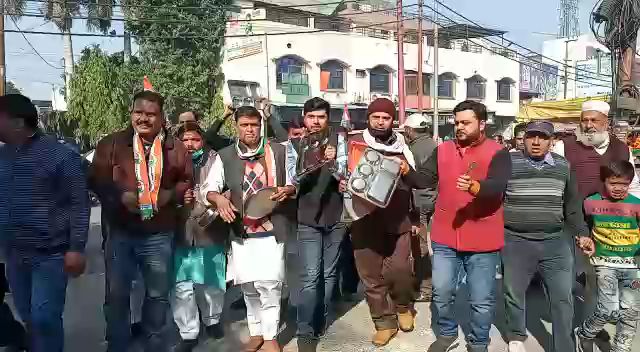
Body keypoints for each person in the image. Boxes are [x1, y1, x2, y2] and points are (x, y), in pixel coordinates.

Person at [89, 91, 193, 352]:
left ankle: (153, 341)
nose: (144, 118)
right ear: (131, 113)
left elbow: (187, 180)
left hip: (158, 233)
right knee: (116, 296)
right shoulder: (111, 144)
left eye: (151, 114)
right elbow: (95, 179)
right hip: (120, 231)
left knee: (157, 295)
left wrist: (170, 194)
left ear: (162, 117)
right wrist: (119, 197)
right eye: (139, 112)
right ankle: (118, 344)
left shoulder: (175, 148)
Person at [0, 94, 90, 352]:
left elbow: (79, 203)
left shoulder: (60, 156)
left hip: (50, 255)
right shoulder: (2, 157)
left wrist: (76, 247)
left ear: (18, 123)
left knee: (45, 319)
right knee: (29, 316)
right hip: (15, 256)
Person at [202, 106, 296, 352]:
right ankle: (256, 333)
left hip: (272, 228)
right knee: (249, 286)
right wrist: (220, 199)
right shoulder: (224, 156)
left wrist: (289, 189)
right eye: (244, 125)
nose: (250, 130)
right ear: (236, 126)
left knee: (270, 284)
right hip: (241, 231)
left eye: (254, 125)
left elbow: (294, 180)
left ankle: (271, 336)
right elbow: (208, 189)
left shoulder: (278, 151)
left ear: (260, 125)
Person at [423, 100, 512, 352]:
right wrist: (405, 171)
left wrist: (476, 187)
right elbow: (424, 178)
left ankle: (478, 342)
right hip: (445, 233)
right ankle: (447, 334)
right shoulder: (442, 150)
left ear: (482, 123)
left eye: (465, 122)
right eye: (457, 121)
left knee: (481, 300)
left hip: (483, 237)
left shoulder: (498, 152)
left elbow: (497, 187)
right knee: (441, 292)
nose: (458, 126)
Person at [343, 98, 429, 347]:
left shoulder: (404, 146)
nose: (381, 122)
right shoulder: (353, 143)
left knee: (400, 270)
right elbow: (340, 173)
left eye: (386, 118)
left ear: (394, 121)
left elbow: (418, 183)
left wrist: (406, 171)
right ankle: (384, 322)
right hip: (362, 218)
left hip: (398, 219)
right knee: (370, 276)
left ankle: (403, 306)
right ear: (368, 118)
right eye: (376, 117)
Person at [501, 121, 590, 352]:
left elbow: (572, 206)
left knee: (562, 297)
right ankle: (516, 336)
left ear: (552, 141)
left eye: (542, 137)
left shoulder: (563, 166)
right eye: (532, 136)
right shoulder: (508, 163)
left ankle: (564, 346)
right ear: (524, 138)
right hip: (516, 241)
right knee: (514, 292)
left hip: (555, 242)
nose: (537, 142)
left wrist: (582, 234)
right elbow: (495, 199)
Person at [553, 100, 640, 330]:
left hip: (608, 226)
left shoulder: (622, 149)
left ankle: (590, 327)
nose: (589, 125)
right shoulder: (565, 147)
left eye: (594, 120)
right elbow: (554, 184)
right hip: (570, 223)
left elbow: (633, 187)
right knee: (567, 279)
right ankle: (568, 328)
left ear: (606, 123)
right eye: (585, 120)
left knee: (595, 279)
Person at [294, 97, 347, 352]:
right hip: (307, 219)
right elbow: (291, 180)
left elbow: (347, 176)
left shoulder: (340, 141)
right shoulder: (294, 144)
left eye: (321, 117)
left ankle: (321, 317)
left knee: (328, 275)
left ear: (329, 119)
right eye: (311, 117)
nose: (316, 122)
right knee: (310, 277)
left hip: (336, 218)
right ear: (304, 117)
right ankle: (305, 330)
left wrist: (334, 162)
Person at [172, 122, 227, 352]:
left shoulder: (214, 159)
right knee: (182, 286)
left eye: (194, 140)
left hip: (209, 228)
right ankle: (188, 332)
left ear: (202, 141)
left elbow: (215, 186)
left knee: (212, 282)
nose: (190, 145)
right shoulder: (169, 161)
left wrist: (207, 196)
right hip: (180, 231)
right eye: (185, 140)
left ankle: (212, 320)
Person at [575, 160, 640, 352]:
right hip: (604, 263)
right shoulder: (590, 202)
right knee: (608, 310)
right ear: (604, 181)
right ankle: (584, 333)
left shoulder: (636, 205)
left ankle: (621, 349)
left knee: (630, 312)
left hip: (632, 265)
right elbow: (583, 227)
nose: (619, 188)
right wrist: (584, 240)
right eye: (614, 183)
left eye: (624, 184)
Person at [403, 113, 437, 303]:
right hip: (432, 198)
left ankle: (426, 288)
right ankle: (422, 284)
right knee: (421, 243)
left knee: (419, 244)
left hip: (418, 200)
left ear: (409, 130)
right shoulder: (433, 145)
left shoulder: (413, 148)